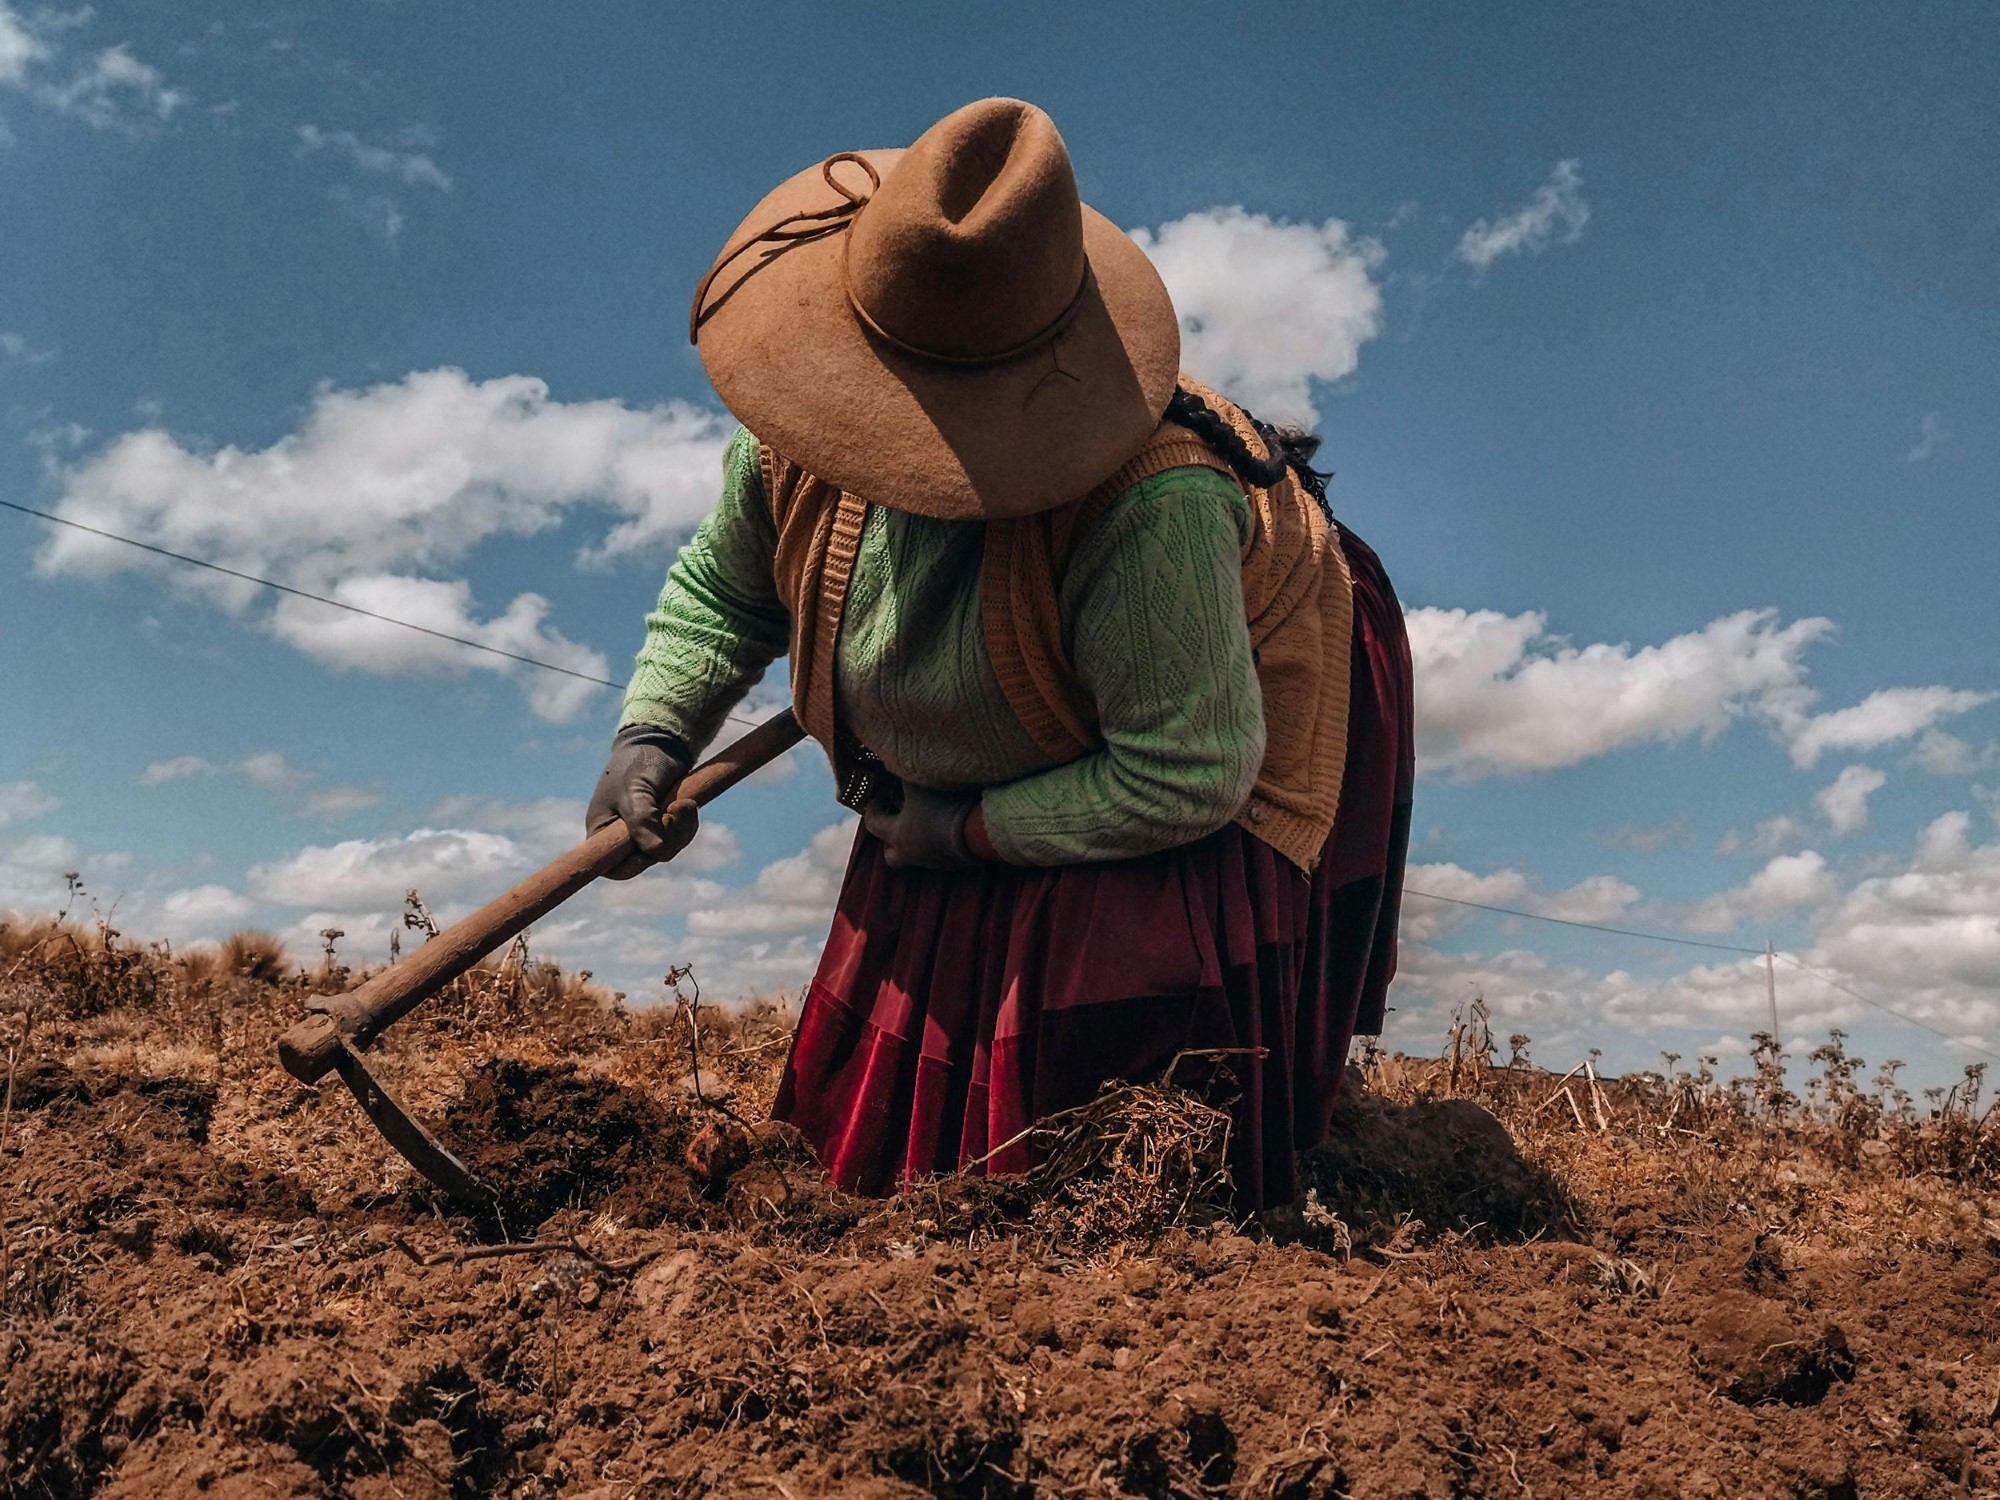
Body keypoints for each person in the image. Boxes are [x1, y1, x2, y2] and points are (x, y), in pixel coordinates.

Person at [587, 98, 1412, 1211]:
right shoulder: (795, 435)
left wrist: (966, 831)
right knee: (857, 1153)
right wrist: (653, 730)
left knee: (1093, 1129)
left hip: (1180, 762)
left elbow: (1185, 771)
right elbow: (721, 593)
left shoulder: (1153, 505)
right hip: (958, 771)